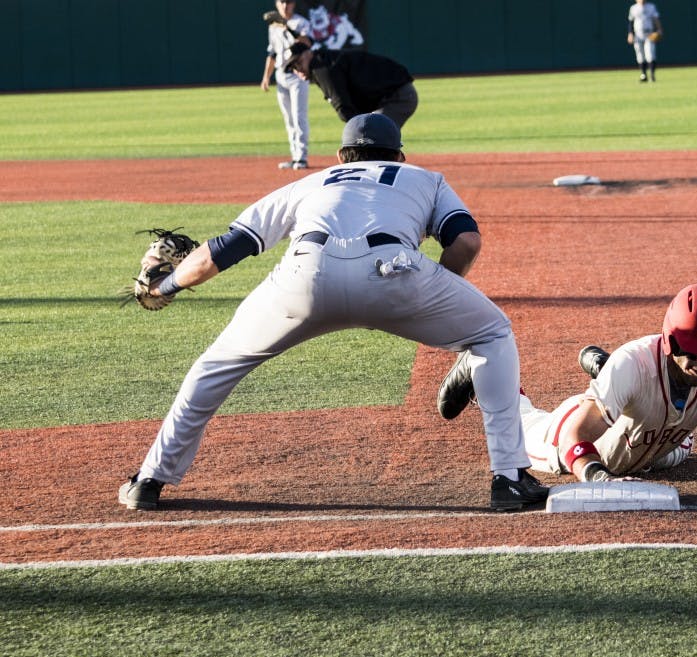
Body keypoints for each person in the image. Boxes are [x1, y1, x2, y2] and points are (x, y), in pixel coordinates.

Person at [118, 113, 548, 513]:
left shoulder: (310, 182)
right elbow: (466, 242)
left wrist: (164, 286)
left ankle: (150, 479)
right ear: (399, 156)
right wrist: (432, 297)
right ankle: (509, 479)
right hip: (395, 272)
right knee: (492, 333)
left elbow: (227, 248)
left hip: (304, 276)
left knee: (215, 365)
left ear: (341, 157)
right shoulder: (425, 178)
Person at [439, 283, 697, 496]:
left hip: (653, 436)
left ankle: (612, 381)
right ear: (671, 340)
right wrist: (600, 478)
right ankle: (479, 367)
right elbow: (575, 436)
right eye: (694, 351)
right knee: (520, 422)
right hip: (566, 435)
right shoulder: (635, 362)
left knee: (677, 449)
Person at [283, 43, 418, 129]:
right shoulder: (323, 61)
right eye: (293, 68)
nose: (297, 69)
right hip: (393, 95)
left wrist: (357, 134)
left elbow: (344, 109)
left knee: (373, 136)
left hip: (398, 97)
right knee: (371, 138)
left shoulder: (321, 68)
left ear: (309, 53)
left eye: (298, 63)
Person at [260, 0, 312, 170]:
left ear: (293, 4)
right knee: (289, 118)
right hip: (281, 75)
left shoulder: (301, 22)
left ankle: (302, 157)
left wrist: (288, 27)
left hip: (298, 75)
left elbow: (307, 43)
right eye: (282, 2)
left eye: (288, 2)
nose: (285, 5)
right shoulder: (273, 26)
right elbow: (272, 52)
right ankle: (294, 155)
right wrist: (266, 77)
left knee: (299, 116)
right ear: (277, 4)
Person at [627, 0, 664, 83]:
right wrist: (630, 33)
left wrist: (659, 29)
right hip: (638, 34)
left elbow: (656, 19)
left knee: (650, 54)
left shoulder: (651, 7)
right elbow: (631, 22)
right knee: (640, 55)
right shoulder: (633, 8)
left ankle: (652, 75)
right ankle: (643, 74)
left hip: (649, 34)